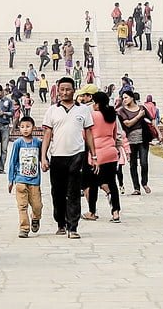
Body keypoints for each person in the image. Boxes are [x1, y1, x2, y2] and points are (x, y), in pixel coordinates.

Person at [41, 77, 98, 238]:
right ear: (58, 91)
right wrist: (43, 157)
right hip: (57, 155)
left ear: (74, 90)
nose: (65, 92)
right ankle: (60, 223)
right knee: (57, 192)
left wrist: (93, 155)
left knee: (73, 191)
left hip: (77, 155)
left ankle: (73, 227)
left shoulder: (83, 110)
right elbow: (47, 134)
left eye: (68, 89)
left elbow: (88, 133)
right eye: (62, 89)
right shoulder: (52, 110)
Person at [83, 90, 122, 223]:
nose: (93, 105)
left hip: (97, 154)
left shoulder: (92, 115)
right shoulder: (112, 116)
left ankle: (92, 212)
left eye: (94, 102)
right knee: (112, 182)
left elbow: (85, 135)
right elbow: (115, 135)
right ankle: (115, 212)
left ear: (98, 104)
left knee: (93, 184)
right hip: (111, 152)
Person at [7, 115, 43, 237]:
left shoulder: (38, 142)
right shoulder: (18, 143)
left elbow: (43, 157)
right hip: (20, 179)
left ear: (33, 127)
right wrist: (11, 179)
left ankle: (35, 218)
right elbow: (13, 161)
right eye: (22, 127)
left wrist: (45, 162)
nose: (25, 129)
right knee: (22, 206)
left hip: (35, 180)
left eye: (28, 126)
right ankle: (24, 228)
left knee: (37, 205)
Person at [117, 91, 150, 196]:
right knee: (133, 164)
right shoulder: (122, 111)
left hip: (143, 139)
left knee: (144, 162)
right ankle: (136, 188)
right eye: (123, 98)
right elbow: (128, 123)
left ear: (132, 98)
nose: (124, 100)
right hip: (130, 140)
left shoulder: (142, 108)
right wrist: (139, 116)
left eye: (126, 97)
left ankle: (144, 182)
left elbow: (151, 120)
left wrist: (158, 133)